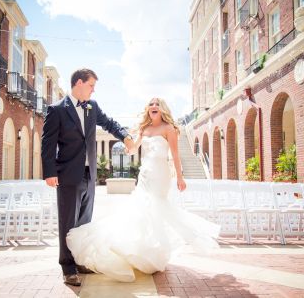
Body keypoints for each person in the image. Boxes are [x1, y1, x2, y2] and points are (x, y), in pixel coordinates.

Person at [66, 97, 220, 282]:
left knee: (156, 211)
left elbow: (176, 155)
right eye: (151, 104)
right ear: (148, 109)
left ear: (162, 109)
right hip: (145, 175)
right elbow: (133, 148)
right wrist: (126, 143)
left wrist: (180, 177)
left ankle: (155, 253)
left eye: (157, 104)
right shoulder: (144, 129)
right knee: (142, 211)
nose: (153, 106)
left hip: (160, 175)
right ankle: (145, 253)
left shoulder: (169, 129)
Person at [41, 68, 135, 286]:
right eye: (91, 85)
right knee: (68, 223)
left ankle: (81, 261)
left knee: (84, 222)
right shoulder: (57, 110)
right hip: (67, 175)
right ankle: (68, 267)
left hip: (89, 174)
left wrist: (126, 135)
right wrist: (50, 172)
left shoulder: (93, 107)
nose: (93, 91)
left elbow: (110, 123)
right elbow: (48, 144)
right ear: (80, 83)